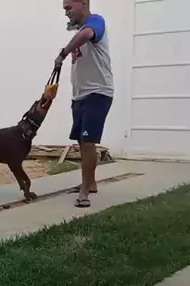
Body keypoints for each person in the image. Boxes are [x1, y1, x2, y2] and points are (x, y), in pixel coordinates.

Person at [55, 0, 114, 208]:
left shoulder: (95, 21)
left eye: (68, 7)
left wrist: (63, 53)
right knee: (82, 141)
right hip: (80, 95)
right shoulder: (79, 30)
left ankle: (84, 191)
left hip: (97, 92)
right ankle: (91, 183)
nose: (66, 12)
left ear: (83, 3)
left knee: (88, 142)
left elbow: (87, 34)